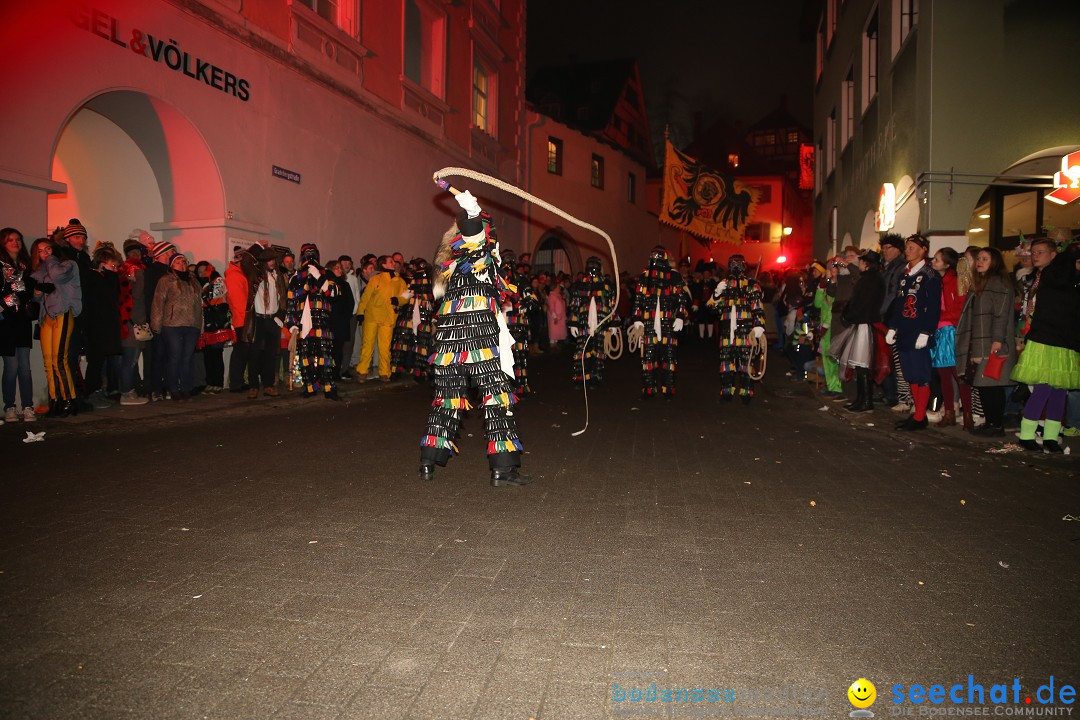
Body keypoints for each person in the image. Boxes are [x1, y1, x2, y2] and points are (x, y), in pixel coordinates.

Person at [420, 189, 529, 487]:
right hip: (478, 340)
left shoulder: (453, 268)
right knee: (497, 399)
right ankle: (502, 469)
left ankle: (428, 461)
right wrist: (472, 208)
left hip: (448, 345)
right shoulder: (476, 255)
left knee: (447, 400)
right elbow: (473, 230)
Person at [1010, 237, 1080, 453]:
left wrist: (1071, 259)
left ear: (1054, 255)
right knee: (1042, 389)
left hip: (1059, 339)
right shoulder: (1038, 277)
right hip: (1044, 337)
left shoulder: (1059, 275)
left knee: (1058, 392)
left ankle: (1050, 436)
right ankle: (1028, 434)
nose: (1035, 255)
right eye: (1034, 252)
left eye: (1041, 251)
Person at [954, 247, 1016, 437]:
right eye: (979, 258)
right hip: (978, 340)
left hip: (991, 342)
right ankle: (990, 422)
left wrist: (998, 340)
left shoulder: (999, 283)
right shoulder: (980, 283)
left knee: (992, 384)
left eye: (985, 259)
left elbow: (1001, 314)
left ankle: (996, 424)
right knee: (982, 384)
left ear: (995, 262)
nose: (980, 262)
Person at [886, 234, 942, 431]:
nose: (907, 251)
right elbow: (899, 304)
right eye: (907, 247)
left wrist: (927, 331)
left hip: (919, 332)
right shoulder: (904, 275)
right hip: (905, 331)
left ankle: (919, 417)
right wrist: (893, 326)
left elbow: (934, 308)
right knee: (910, 374)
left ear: (923, 250)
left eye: (912, 247)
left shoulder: (930, 276)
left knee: (921, 375)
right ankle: (917, 414)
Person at [630, 246, 691, 399]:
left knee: (669, 357)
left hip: (669, 323)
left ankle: (668, 388)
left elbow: (681, 299)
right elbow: (638, 301)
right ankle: (649, 388)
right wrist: (637, 319)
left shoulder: (675, 277)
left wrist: (680, 316)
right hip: (649, 323)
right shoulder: (644, 278)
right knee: (649, 356)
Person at [30, 238, 81, 416]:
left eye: (48, 249)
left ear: (55, 250)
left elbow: (59, 276)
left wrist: (50, 259)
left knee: (60, 359)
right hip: (46, 317)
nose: (45, 253)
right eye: (40, 251)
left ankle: (69, 400)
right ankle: (55, 400)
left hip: (62, 313)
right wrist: (38, 291)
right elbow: (36, 296)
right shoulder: (40, 271)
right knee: (48, 362)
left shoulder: (68, 264)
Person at [831, 250, 885, 412]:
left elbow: (861, 303)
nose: (859, 264)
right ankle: (862, 399)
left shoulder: (869, 280)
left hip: (864, 323)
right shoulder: (873, 279)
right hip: (863, 322)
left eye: (861, 261)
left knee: (862, 365)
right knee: (860, 366)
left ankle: (866, 400)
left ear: (866, 264)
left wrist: (849, 316)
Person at [707, 254, 766, 402]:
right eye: (732, 263)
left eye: (738, 264)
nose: (735, 266)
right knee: (726, 361)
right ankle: (726, 390)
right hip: (727, 330)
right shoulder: (724, 284)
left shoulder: (752, 285)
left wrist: (759, 325)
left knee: (747, 362)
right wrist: (716, 293)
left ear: (744, 266)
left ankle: (747, 392)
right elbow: (710, 308)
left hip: (746, 330)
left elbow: (757, 307)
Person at [285, 243, 340, 399]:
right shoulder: (295, 278)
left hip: (323, 322)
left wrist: (319, 276)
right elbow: (291, 302)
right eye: (307, 254)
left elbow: (334, 293)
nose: (310, 258)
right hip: (303, 322)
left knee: (325, 356)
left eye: (313, 253)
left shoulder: (327, 273)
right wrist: (291, 324)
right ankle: (310, 387)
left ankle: (329, 388)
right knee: (305, 357)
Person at [150, 252, 203, 402]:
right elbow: (158, 303)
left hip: (192, 325)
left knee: (187, 357)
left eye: (183, 262)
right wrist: (156, 325)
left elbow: (199, 304)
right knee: (175, 356)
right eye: (178, 262)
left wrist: (200, 325)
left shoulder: (193, 281)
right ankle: (173, 389)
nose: (182, 265)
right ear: (172, 265)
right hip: (172, 324)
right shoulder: (166, 280)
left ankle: (186, 388)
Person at [355, 255, 409, 383]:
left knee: (385, 346)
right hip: (372, 316)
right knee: (368, 345)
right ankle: (362, 371)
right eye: (391, 261)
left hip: (388, 317)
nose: (393, 263)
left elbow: (405, 296)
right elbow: (366, 296)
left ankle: (384, 372)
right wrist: (360, 312)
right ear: (384, 265)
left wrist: (399, 300)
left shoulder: (399, 280)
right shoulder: (376, 279)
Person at [1, 228, 36, 422]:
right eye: (10, 240)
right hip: (7, 321)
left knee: (24, 366)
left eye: (17, 239)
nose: (15, 243)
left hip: (22, 320)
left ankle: (28, 406)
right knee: (11, 365)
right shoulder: (1, 266)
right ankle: (10, 406)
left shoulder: (26, 265)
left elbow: (29, 292)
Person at [83, 242, 124, 408]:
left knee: (99, 362)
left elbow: (114, 297)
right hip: (95, 328)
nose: (115, 270)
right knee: (95, 362)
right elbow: (102, 299)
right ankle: (91, 392)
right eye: (112, 266)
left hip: (104, 327)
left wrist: (111, 276)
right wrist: (111, 276)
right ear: (102, 263)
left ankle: (98, 391)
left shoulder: (104, 278)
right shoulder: (93, 279)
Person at [247, 247, 288, 398]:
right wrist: (257, 245)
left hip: (273, 319)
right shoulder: (257, 275)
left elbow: (283, 299)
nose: (272, 262)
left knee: (271, 354)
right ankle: (253, 386)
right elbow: (246, 261)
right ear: (263, 262)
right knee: (255, 353)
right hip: (258, 319)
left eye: (273, 259)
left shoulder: (279, 276)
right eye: (269, 260)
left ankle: (268, 385)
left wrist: (280, 316)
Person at [930, 248, 964, 427]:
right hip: (939, 330)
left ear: (947, 264)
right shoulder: (937, 281)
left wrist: (939, 317)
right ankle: (949, 411)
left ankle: (966, 413)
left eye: (937, 260)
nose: (933, 262)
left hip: (950, 330)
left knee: (956, 373)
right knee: (943, 374)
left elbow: (959, 309)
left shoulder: (954, 281)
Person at [568, 256, 615, 385]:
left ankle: (596, 376)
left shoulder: (606, 285)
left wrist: (613, 324)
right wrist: (573, 323)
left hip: (601, 322)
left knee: (598, 350)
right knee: (582, 350)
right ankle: (582, 377)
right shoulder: (580, 284)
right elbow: (575, 305)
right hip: (584, 322)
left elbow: (612, 305)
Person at [879, 233, 910, 410]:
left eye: (887, 248)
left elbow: (893, 294)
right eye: (883, 248)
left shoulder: (899, 268)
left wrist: (881, 311)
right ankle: (893, 394)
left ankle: (900, 396)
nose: (884, 251)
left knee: (896, 359)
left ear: (897, 249)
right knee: (889, 358)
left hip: (892, 317)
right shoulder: (888, 267)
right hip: (887, 316)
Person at [392, 259, 435, 383]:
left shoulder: (431, 293)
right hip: (408, 317)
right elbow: (404, 297)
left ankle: (420, 372)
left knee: (422, 345)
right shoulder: (410, 289)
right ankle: (397, 370)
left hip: (424, 318)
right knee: (402, 343)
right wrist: (396, 301)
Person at [144, 240, 177, 400]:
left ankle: (164, 387)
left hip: (169, 320)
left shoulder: (169, 272)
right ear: (163, 254)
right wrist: (153, 319)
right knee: (158, 356)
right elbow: (151, 298)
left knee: (166, 356)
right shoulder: (153, 272)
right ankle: (156, 388)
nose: (173, 255)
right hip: (160, 320)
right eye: (171, 252)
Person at [225, 244, 259, 393]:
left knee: (243, 352)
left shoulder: (239, 274)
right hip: (242, 320)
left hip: (244, 318)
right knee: (241, 352)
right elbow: (239, 301)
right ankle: (236, 383)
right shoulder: (234, 275)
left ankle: (238, 381)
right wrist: (246, 319)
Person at [196, 262, 233, 394]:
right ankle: (210, 382)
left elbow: (213, 295)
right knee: (208, 355)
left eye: (204, 270)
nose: (202, 274)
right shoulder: (200, 285)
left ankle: (218, 383)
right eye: (199, 272)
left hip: (217, 323)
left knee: (216, 354)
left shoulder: (218, 281)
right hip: (206, 324)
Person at [326, 259, 354, 378]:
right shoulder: (327, 284)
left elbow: (350, 302)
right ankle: (327, 373)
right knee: (329, 349)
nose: (339, 269)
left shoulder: (344, 284)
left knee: (339, 349)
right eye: (336, 268)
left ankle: (336, 373)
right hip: (329, 321)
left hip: (341, 321)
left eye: (339, 268)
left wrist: (345, 316)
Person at [546, 279, 567, 346]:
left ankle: (556, 348)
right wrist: (555, 317)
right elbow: (551, 308)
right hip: (555, 318)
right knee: (553, 335)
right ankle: (552, 348)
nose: (559, 288)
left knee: (557, 335)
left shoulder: (558, 296)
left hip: (560, 317)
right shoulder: (552, 297)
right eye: (558, 287)